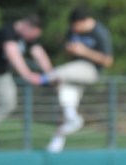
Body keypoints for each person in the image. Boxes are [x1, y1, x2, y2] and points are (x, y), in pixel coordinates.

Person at [0, 15, 53, 150]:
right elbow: (13, 55)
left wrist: (51, 74)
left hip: (3, 73)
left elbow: (39, 54)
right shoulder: (7, 32)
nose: (32, 39)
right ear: (26, 26)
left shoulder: (28, 38)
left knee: (9, 103)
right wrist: (28, 75)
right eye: (32, 35)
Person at [45, 8, 113, 153]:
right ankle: (58, 141)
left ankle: (73, 118)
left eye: (76, 25)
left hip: (90, 71)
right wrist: (70, 50)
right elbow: (68, 49)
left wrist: (84, 52)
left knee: (58, 74)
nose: (74, 28)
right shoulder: (72, 31)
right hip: (74, 71)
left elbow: (107, 61)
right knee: (65, 104)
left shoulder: (100, 32)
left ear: (84, 22)